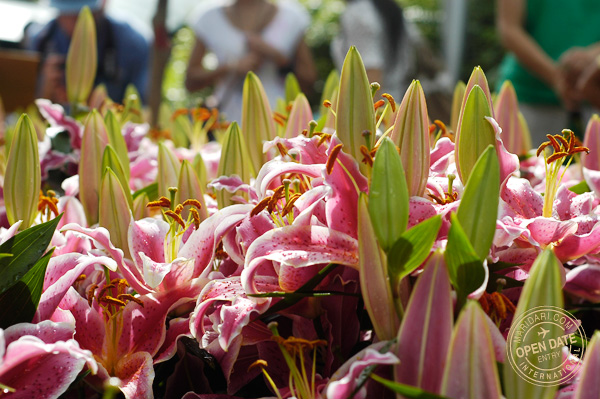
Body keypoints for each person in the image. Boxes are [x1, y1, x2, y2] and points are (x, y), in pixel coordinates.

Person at [185, 0, 317, 123]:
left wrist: (277, 57)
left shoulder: (292, 16)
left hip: (279, 118)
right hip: (227, 120)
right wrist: (231, 68)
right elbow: (190, 82)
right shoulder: (208, 17)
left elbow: (309, 81)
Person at [497, 0, 600, 145]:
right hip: (528, 99)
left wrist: (591, 58)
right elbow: (509, 28)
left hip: (593, 99)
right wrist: (555, 76)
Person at [331, 0, 451, 120]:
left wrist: (368, 122)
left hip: (381, 113)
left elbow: (371, 72)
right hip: (403, 105)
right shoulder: (387, 7)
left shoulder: (357, 13)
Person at [25, 0, 150, 105]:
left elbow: (140, 110)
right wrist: (44, 95)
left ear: (103, 5)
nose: (75, 23)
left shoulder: (133, 44)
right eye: (65, 13)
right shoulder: (40, 40)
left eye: (83, 14)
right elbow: (21, 110)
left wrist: (98, 103)